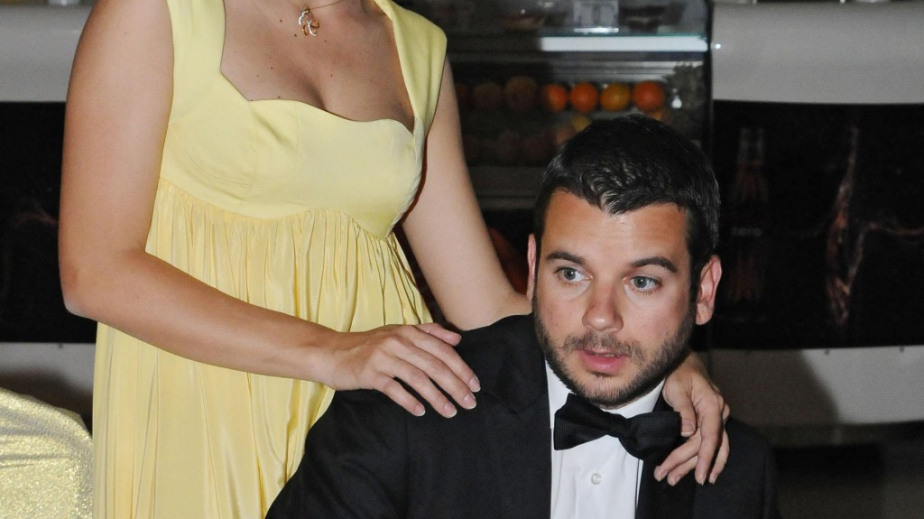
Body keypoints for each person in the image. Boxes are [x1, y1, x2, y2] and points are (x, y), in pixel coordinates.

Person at [58, 0, 728, 514]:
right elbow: (94, 272)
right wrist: (331, 351)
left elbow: (485, 303)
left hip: (381, 407)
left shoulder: (415, 47)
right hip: (207, 398)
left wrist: (663, 360)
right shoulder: (156, 13)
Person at [267, 116, 780, 519]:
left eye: (641, 282)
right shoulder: (403, 415)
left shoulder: (737, 471)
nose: (601, 318)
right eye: (572, 274)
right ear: (533, 269)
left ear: (703, 290)